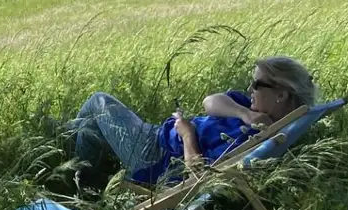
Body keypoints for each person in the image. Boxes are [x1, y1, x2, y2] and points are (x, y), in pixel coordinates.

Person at [65, 56, 317, 189]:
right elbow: (210, 101)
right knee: (88, 133)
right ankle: (81, 182)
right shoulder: (251, 110)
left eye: (257, 84)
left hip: (154, 154)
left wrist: (187, 134)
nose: (250, 89)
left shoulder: (252, 139)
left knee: (99, 101)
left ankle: (63, 157)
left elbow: (200, 177)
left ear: (281, 95)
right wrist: (244, 113)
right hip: (158, 136)